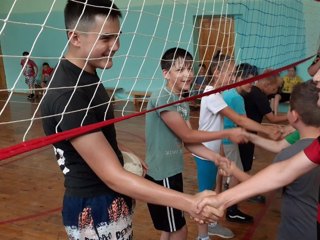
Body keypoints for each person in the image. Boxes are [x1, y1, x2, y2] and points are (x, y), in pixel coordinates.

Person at [40, 1, 222, 239]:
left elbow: (92, 133)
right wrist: (190, 202)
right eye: (106, 38)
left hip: (107, 199)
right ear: (75, 38)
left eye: (117, 36)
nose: (116, 46)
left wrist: (117, 148)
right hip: (94, 207)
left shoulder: (86, 75)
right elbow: (113, 176)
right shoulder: (69, 94)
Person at [145, 47, 249, 240]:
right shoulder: (163, 97)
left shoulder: (181, 101)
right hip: (162, 174)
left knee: (169, 228)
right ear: (166, 74)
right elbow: (188, 134)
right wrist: (227, 131)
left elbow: (188, 141)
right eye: (180, 70)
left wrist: (216, 157)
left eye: (190, 69)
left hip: (173, 170)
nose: (188, 74)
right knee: (180, 230)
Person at [219, 80, 320, 240]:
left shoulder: (289, 155)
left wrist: (233, 170)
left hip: (297, 230)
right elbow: (278, 145)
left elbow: (261, 186)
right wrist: (250, 136)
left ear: (293, 116)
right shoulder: (304, 145)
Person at [193, 57, 280, 239]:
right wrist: (266, 130)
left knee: (213, 190)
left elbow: (221, 124)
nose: (233, 77)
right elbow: (239, 120)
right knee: (205, 196)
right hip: (205, 155)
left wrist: (222, 152)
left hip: (213, 152)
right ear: (217, 72)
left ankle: (212, 225)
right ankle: (202, 236)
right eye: (230, 73)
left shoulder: (217, 94)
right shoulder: (211, 94)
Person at [239, 68, 287, 178]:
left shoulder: (254, 91)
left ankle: (232, 182)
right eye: (274, 88)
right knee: (245, 163)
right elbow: (272, 119)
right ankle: (242, 187)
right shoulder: (259, 96)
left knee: (240, 160)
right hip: (247, 131)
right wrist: (289, 116)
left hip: (245, 129)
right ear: (267, 85)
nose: (275, 91)